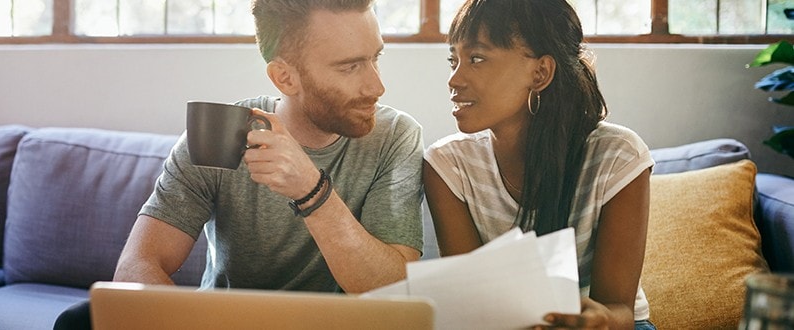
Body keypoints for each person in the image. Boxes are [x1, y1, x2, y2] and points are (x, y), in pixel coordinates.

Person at [54, 0, 424, 328]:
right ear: (285, 77)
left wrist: (312, 191)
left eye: (376, 58)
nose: (377, 87)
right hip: (219, 325)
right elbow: (137, 265)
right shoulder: (221, 134)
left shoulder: (395, 137)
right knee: (80, 320)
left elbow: (392, 290)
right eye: (350, 67)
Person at [422, 0, 655, 329]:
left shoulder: (618, 157)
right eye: (453, 61)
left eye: (476, 58)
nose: (454, 80)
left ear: (540, 72)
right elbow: (472, 303)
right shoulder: (447, 166)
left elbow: (620, 310)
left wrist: (594, 318)